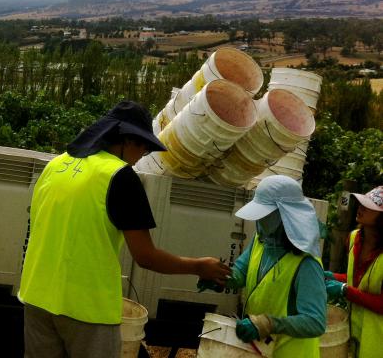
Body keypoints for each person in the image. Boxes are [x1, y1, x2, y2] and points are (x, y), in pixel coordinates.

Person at [19, 101, 231, 358]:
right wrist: (198, 266)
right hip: (86, 308)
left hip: (36, 298)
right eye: (142, 144)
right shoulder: (120, 177)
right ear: (125, 139)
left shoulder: (57, 165)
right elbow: (146, 257)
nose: (143, 153)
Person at [200, 175, 327, 357]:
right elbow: (242, 273)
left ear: (284, 215)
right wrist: (221, 278)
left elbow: (316, 322)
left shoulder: (306, 263)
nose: (258, 220)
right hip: (261, 350)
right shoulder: (261, 241)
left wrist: (268, 324)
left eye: (265, 214)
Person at [324, 185, 383, 358]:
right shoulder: (354, 237)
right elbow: (359, 280)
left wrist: (345, 290)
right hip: (353, 333)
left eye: (369, 207)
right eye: (362, 203)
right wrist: (333, 277)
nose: (360, 208)